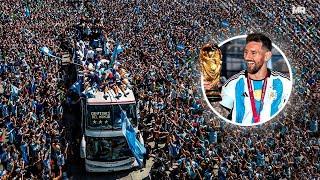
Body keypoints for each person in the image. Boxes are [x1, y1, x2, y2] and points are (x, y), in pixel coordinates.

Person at [220, 33, 291, 125]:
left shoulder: (284, 83)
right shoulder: (233, 83)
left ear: (267, 56)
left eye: (253, 53)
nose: (247, 57)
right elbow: (222, 110)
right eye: (246, 52)